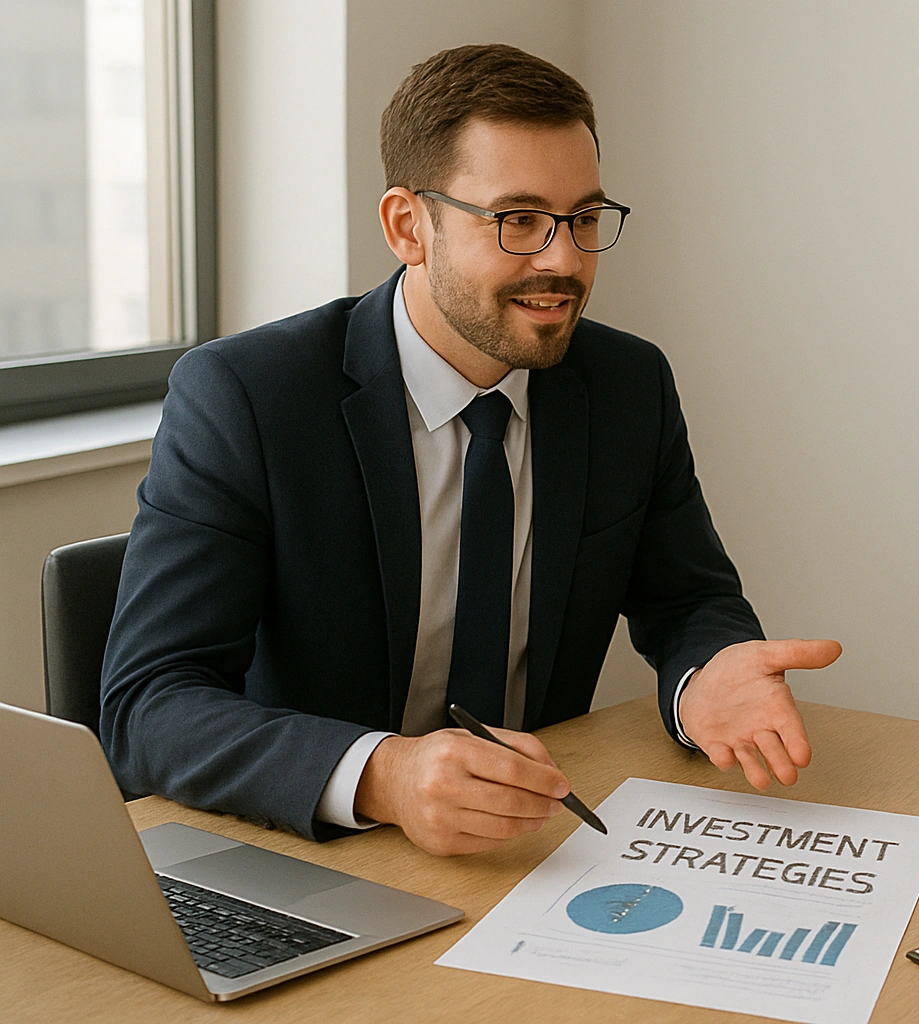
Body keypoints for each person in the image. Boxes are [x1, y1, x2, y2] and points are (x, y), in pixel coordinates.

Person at [100, 44, 840, 857]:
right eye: (517, 220)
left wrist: (706, 676)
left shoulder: (626, 384)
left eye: (584, 219)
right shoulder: (246, 396)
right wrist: (385, 775)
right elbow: (148, 706)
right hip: (314, 850)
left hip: (527, 847)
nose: (562, 259)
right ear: (407, 227)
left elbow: (686, 599)